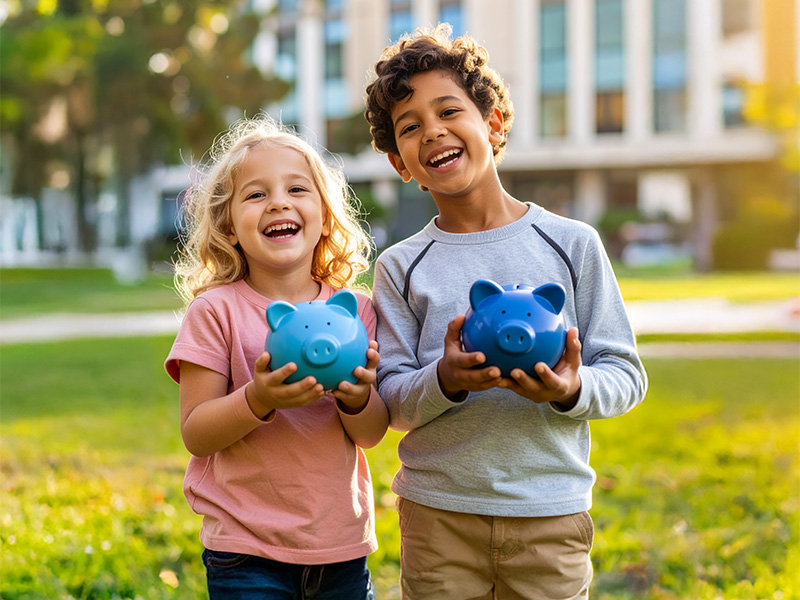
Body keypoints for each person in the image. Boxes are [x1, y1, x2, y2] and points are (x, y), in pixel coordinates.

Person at [364, 24, 648, 600]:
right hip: (437, 513)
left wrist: (570, 389)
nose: (433, 132)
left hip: (550, 512)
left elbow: (626, 374)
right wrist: (444, 380)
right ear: (401, 164)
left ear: (492, 123)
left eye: (449, 111)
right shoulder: (400, 265)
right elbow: (390, 399)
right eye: (410, 127)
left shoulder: (572, 244)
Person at [165, 114, 388, 600]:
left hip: (340, 546)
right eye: (256, 194)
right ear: (229, 225)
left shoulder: (356, 312)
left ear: (326, 215)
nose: (279, 202)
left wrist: (356, 397)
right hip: (245, 548)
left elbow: (370, 434)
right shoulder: (215, 312)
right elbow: (197, 434)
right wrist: (259, 398)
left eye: (297, 190)